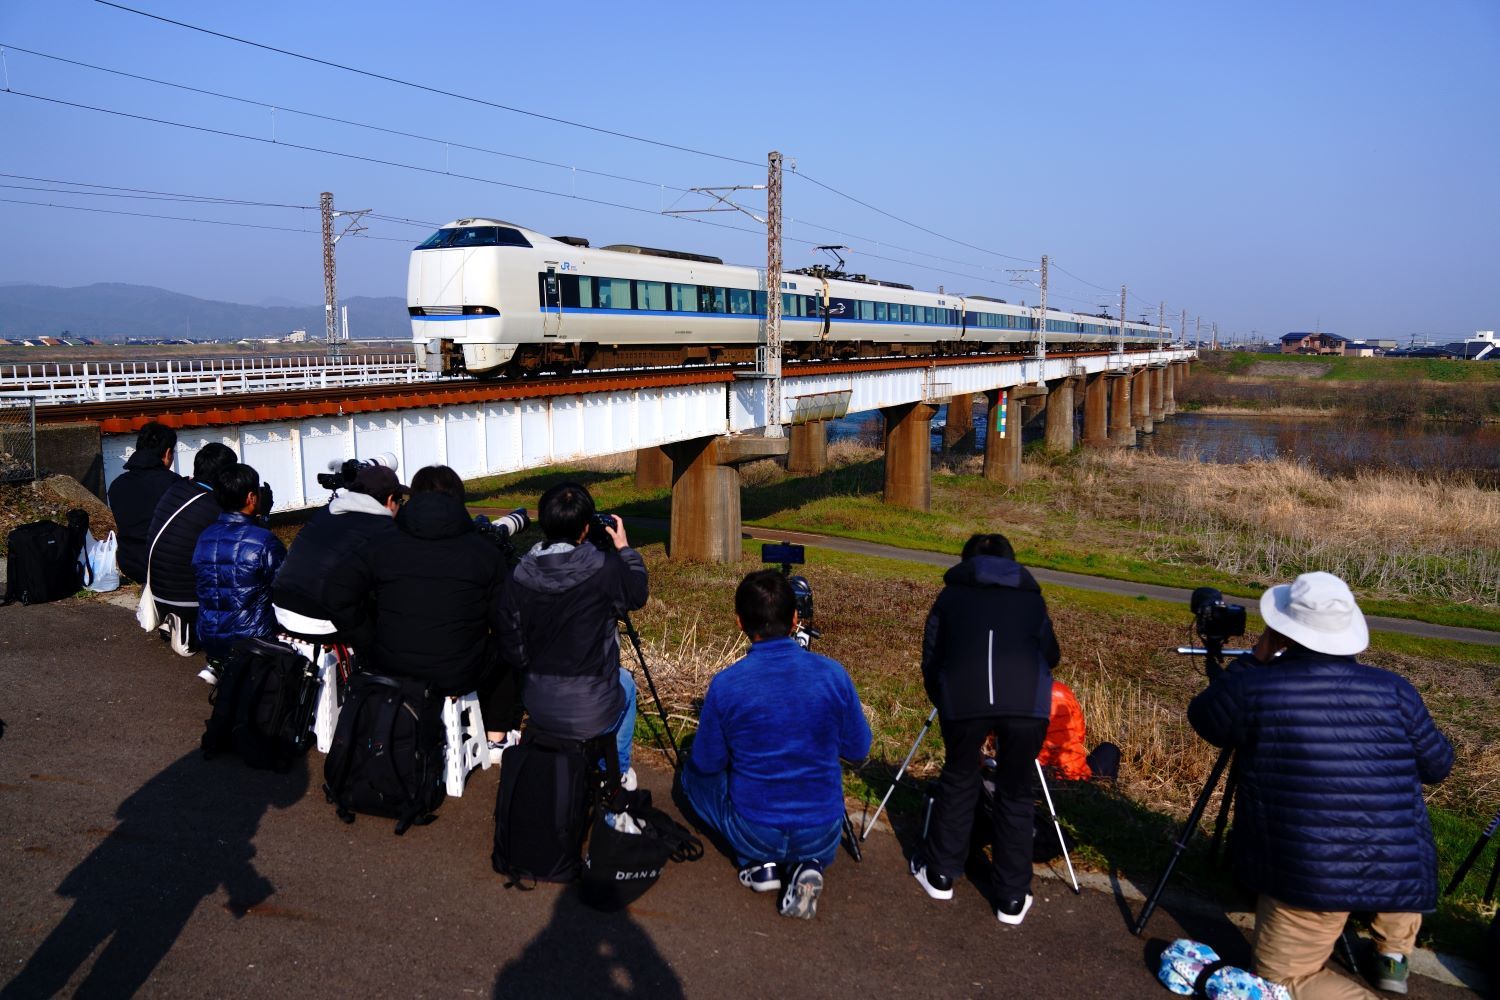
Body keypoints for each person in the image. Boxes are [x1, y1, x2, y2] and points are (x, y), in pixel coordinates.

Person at [1188, 571, 1453, 999]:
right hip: (1399, 869)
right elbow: (1438, 765)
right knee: (1393, 845)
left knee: (1282, 980)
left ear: (1283, 629)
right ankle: (1393, 954)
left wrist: (1255, 657)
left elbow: (1205, 718)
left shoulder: (1260, 688)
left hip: (1312, 871)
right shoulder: (1396, 689)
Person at [680, 570, 872, 921]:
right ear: (795, 619)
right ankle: (805, 864)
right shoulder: (834, 675)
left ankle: (762, 866)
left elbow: (707, 764)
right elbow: (858, 749)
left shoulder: (726, 685)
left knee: (691, 777)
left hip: (755, 830)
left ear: (739, 622)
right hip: (822, 832)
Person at [911, 532, 1060, 925]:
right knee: (1015, 790)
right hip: (1026, 706)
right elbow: (1052, 654)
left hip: (964, 699)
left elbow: (932, 655)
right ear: (1013, 563)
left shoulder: (951, 596)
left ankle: (941, 873)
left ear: (966, 562)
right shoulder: (1032, 599)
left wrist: (943, 700)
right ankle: (1012, 898)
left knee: (959, 777)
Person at [325, 465, 508, 714]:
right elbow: (504, 620)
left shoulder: (382, 544)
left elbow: (336, 592)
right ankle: (497, 736)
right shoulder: (485, 552)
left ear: (414, 497)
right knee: (504, 652)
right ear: (458, 500)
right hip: (458, 673)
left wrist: (368, 638)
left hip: (391, 666)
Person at [495, 482, 646, 778]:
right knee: (626, 682)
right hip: (592, 708)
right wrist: (625, 550)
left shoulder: (518, 575)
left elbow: (511, 642)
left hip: (537, 702)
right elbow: (636, 594)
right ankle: (616, 775)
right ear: (586, 527)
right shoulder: (604, 569)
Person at [271, 464, 405, 642]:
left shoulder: (325, 513)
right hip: (320, 619)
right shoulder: (383, 528)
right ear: (390, 500)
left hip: (281, 606)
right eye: (400, 501)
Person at [192, 463, 285, 681]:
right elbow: (287, 586)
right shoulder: (264, 541)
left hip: (209, 636)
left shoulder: (205, 536)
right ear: (251, 498)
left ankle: (220, 666)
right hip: (254, 640)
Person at [144, 442, 237, 660]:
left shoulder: (177, 488)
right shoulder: (215, 506)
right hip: (183, 598)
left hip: (156, 587)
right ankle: (191, 629)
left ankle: (173, 619)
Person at [108, 421, 181, 584]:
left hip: (130, 562)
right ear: (168, 453)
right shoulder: (174, 484)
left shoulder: (117, 484)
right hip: (165, 564)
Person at [1036, 680, 1120, 782]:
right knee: (1109, 749)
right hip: (1077, 774)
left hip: (1040, 773)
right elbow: (1080, 735)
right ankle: (1104, 791)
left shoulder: (1019, 693)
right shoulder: (1064, 690)